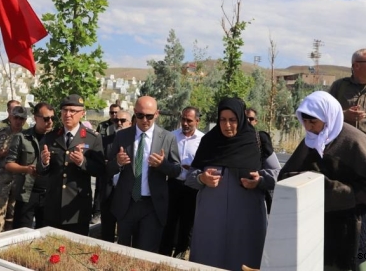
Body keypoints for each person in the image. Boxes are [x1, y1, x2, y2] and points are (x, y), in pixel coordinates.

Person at [278, 91, 366, 270]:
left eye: (313, 122)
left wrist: (329, 188)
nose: (309, 127)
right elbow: (286, 176)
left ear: (328, 118)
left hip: (354, 226)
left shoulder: (354, 141)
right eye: (304, 121)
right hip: (324, 226)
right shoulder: (311, 141)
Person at [186, 97, 279, 270]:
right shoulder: (209, 142)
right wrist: (202, 178)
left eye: (232, 120)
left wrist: (260, 180)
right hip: (211, 220)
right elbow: (190, 176)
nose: (227, 125)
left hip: (247, 221)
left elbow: (278, 174)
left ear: (241, 118)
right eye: (223, 120)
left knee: (245, 262)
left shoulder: (258, 141)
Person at [106, 96, 181, 252]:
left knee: (146, 252)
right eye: (140, 115)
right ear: (135, 113)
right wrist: (118, 162)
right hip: (127, 203)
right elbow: (108, 169)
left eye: (149, 116)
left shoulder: (167, 138)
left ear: (157, 114)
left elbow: (176, 170)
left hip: (152, 205)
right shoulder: (122, 136)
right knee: (123, 252)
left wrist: (162, 165)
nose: (144, 120)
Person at [38, 94, 105, 236]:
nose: (68, 114)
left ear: (82, 113)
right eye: (64, 110)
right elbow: (41, 171)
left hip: (77, 207)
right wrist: (44, 162)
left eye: (73, 111)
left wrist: (82, 162)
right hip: (53, 205)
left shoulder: (93, 138)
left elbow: (100, 170)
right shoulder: (51, 137)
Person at [159, 107, 204, 259]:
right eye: (183, 119)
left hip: (192, 187)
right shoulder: (172, 136)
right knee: (169, 220)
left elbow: (205, 163)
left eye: (189, 120)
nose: (185, 123)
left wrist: (193, 168)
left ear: (197, 121)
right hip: (173, 184)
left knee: (187, 223)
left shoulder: (203, 140)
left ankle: (180, 253)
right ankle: (163, 253)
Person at [5, 102, 55, 229]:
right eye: (46, 118)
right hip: (27, 193)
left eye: (52, 118)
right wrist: (26, 169)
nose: (50, 122)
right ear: (35, 118)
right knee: (21, 233)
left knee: (45, 234)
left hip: (49, 194)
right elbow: (9, 164)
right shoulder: (22, 137)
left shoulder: (56, 139)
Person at [0, 106, 27, 234]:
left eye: (21, 118)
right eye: (16, 117)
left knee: (14, 215)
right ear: (10, 118)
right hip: (2, 180)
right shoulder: (1, 134)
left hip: (19, 181)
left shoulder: (27, 136)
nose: (18, 121)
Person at [100, 109, 132, 242]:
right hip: (109, 190)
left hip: (128, 193)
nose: (119, 123)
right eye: (115, 120)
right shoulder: (105, 141)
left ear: (130, 123)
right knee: (107, 230)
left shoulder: (136, 142)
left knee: (125, 232)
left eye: (123, 121)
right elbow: (100, 164)